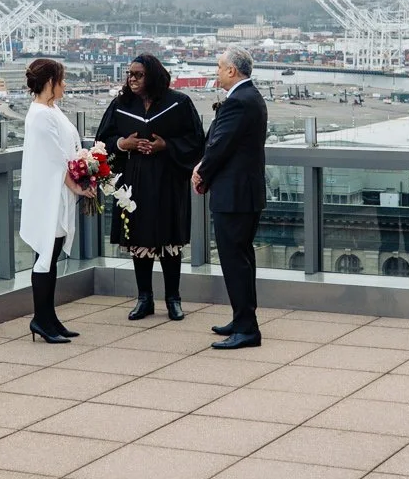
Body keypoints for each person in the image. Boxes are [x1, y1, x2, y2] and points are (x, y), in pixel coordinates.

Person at [94, 53, 205, 320]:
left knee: (169, 240)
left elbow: (196, 141)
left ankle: (173, 299)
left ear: (152, 76)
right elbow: (102, 140)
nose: (132, 79)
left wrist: (166, 145)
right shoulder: (121, 104)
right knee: (138, 238)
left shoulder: (179, 103)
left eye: (138, 75)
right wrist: (123, 144)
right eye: (129, 74)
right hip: (134, 181)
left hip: (168, 180)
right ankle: (144, 298)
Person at [192, 47, 268, 349]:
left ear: (231, 71)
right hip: (244, 194)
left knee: (235, 261)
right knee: (242, 260)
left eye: (219, 66)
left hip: (235, 195)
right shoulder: (251, 97)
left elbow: (220, 144)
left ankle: (247, 328)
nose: (216, 71)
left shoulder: (239, 101)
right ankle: (241, 319)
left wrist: (201, 173)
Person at [18, 56, 82, 345]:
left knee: (50, 257)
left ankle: (49, 317)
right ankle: (41, 320)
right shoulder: (41, 115)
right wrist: (78, 185)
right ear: (49, 83)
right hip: (48, 196)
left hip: (54, 193)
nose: (64, 85)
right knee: (46, 256)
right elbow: (57, 159)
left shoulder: (50, 108)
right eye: (61, 80)